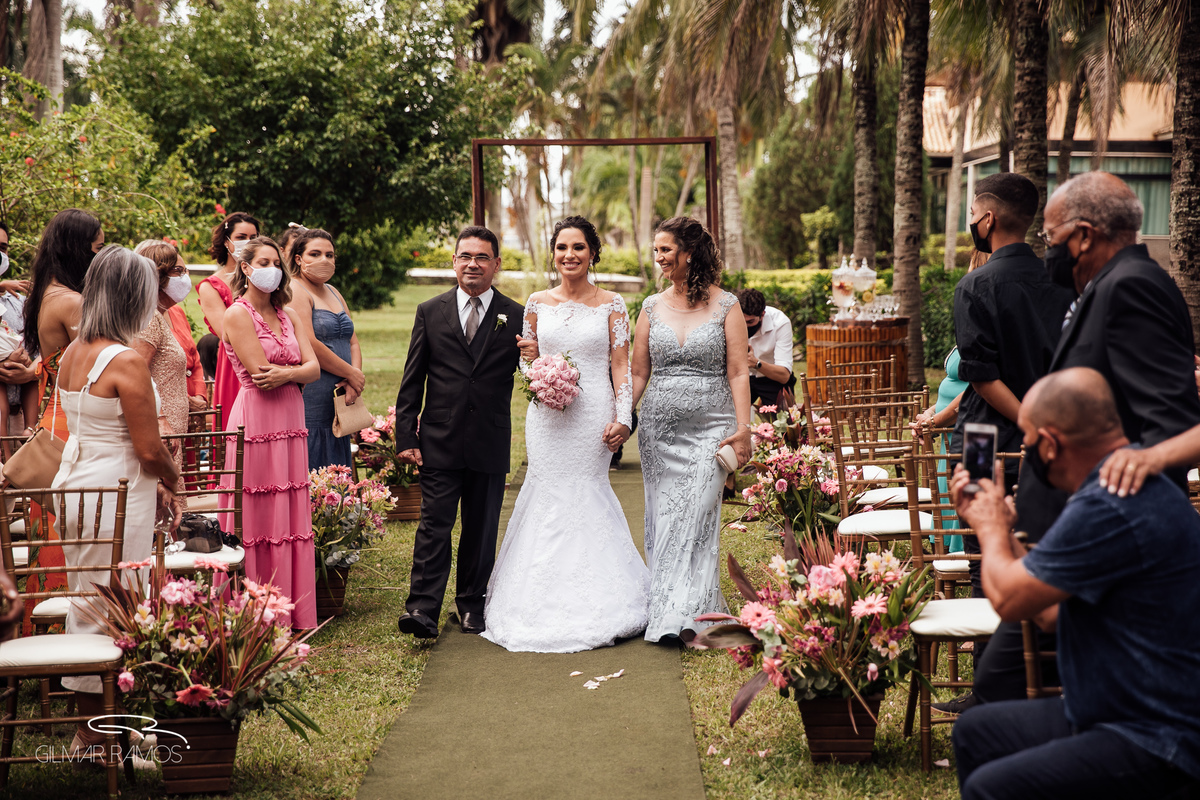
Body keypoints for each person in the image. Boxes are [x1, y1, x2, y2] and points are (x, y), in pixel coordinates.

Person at [962, 171, 1200, 712]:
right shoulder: (1106, 286)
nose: (1047, 253)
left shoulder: (1132, 287)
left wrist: (1148, 459)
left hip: (1104, 530)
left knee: (1001, 686)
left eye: (1052, 240)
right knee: (1033, 681)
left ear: (1086, 235)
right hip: (1075, 521)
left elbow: (1173, 415)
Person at [949, 367, 1200, 800]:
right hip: (1108, 709)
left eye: (1026, 440)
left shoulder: (1109, 503)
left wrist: (987, 529)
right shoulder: (1115, 489)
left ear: (1049, 443)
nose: (1025, 450)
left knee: (990, 788)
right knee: (976, 731)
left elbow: (1009, 598)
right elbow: (1046, 612)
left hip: (1158, 734)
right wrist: (1005, 530)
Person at [482, 216, 649, 652]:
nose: (569, 255)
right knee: (546, 491)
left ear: (593, 252)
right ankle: (534, 599)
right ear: (553, 253)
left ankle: (603, 597)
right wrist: (540, 372)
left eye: (578, 247)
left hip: (593, 415)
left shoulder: (613, 305)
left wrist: (623, 416)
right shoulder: (536, 302)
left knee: (587, 490)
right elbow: (526, 363)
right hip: (547, 416)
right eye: (562, 248)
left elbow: (620, 366)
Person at [51, 245, 179, 759]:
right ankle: (98, 734)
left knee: (91, 598)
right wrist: (177, 483)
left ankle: (103, 728)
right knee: (121, 603)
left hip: (77, 484)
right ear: (134, 297)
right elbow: (149, 449)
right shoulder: (124, 360)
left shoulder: (72, 352)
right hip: (117, 491)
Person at [394, 226, 525, 639]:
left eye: (482, 257)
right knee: (434, 525)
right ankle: (422, 608)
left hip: (489, 437)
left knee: (481, 526)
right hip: (439, 438)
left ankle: (471, 604)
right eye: (465, 256)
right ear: (454, 262)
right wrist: (405, 436)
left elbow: (533, 374)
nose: (473, 264)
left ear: (497, 264)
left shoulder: (517, 313)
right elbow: (413, 379)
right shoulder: (430, 311)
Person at [631, 216, 752, 644]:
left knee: (698, 515)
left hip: (712, 429)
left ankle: (697, 614)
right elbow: (639, 372)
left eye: (665, 250)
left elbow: (738, 372)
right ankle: (666, 611)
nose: (659, 257)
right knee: (665, 519)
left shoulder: (727, 305)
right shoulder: (649, 306)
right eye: (656, 250)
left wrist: (744, 428)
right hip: (659, 433)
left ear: (689, 253)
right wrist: (622, 413)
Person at [219, 237, 320, 630]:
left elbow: (313, 369)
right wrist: (296, 373)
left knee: (291, 511)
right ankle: (255, 612)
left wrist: (290, 374)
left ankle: (293, 609)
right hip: (256, 420)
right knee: (258, 511)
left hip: (291, 418)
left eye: (276, 263)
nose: (271, 269)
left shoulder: (290, 314)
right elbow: (261, 376)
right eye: (263, 262)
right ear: (245, 268)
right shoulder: (237, 315)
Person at [286, 228, 365, 470]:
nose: (324, 260)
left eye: (329, 255)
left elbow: (353, 340)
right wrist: (351, 374)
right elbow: (309, 342)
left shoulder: (334, 292)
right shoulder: (296, 290)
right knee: (315, 456)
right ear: (299, 259)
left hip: (342, 393)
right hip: (314, 390)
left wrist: (354, 380)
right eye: (315, 254)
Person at [23, 208, 104, 441]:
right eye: (98, 249)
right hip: (77, 424)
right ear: (76, 249)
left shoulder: (48, 293)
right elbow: (98, 368)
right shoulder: (71, 302)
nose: (100, 258)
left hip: (63, 416)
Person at [132, 241, 194, 491]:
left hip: (170, 436)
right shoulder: (148, 317)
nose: (185, 277)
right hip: (160, 433)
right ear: (157, 275)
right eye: (178, 271)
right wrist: (159, 419)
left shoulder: (159, 314)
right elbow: (136, 371)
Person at [199, 212, 259, 427]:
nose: (249, 243)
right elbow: (227, 332)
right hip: (236, 366)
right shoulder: (211, 285)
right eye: (242, 237)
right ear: (227, 242)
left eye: (254, 238)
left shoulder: (268, 280)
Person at [0, 222, 41, 435]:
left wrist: (28, 371)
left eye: (3, 248)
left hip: (18, 420)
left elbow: (44, 353)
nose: (0, 254)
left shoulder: (22, 304)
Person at [736, 288, 795, 407]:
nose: (745, 326)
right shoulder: (731, 319)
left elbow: (784, 376)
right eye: (742, 321)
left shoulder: (780, 323)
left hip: (772, 378)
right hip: (739, 378)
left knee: (785, 424)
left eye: (750, 322)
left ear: (762, 314)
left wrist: (756, 363)